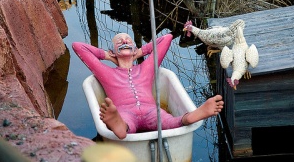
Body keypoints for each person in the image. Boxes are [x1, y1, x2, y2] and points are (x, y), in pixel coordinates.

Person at [72, 33, 224, 139]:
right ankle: (119, 126)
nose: (124, 42)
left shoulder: (147, 67)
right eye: (119, 42)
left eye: (128, 41)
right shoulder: (106, 72)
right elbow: (78, 46)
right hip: (125, 112)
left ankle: (193, 116)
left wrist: (140, 52)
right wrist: (107, 55)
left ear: (134, 48)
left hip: (152, 111)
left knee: (169, 121)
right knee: (126, 123)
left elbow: (166, 38)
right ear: (113, 51)